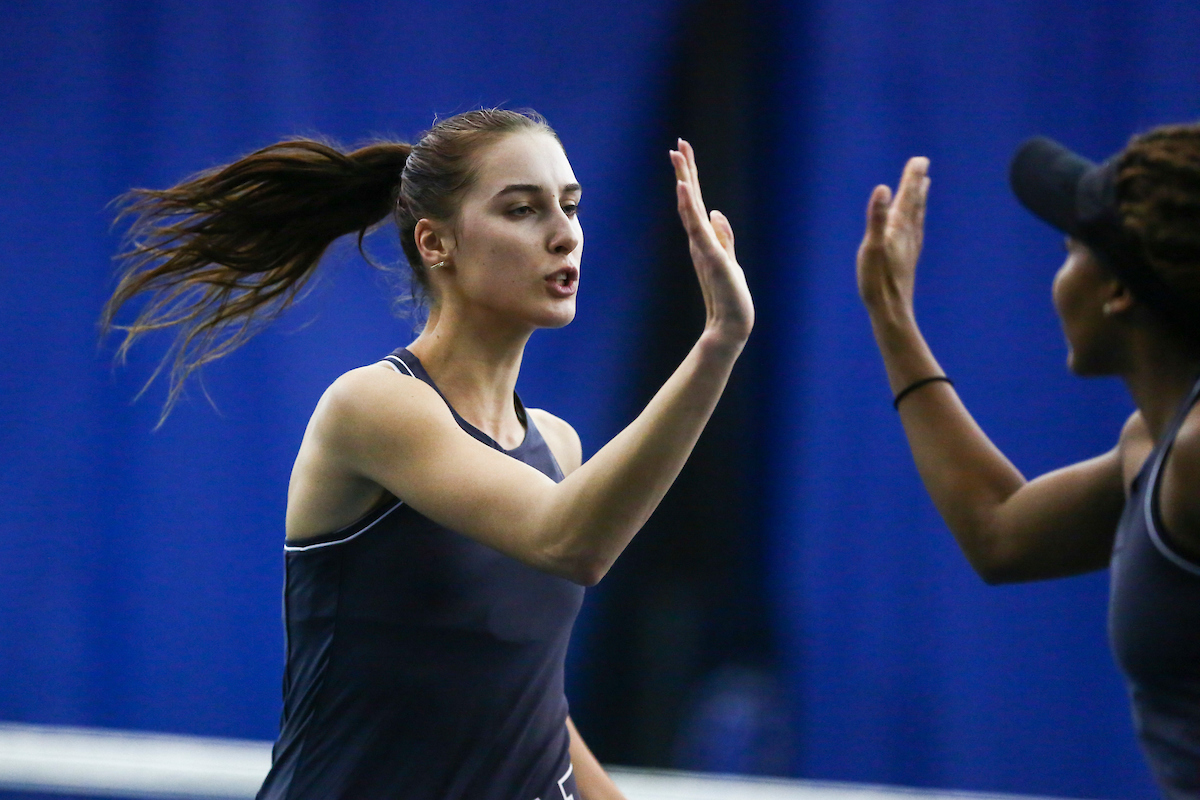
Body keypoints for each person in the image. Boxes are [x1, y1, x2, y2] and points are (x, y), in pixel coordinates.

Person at [102, 109, 753, 800]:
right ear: (435, 243)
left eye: (570, 206)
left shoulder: (558, 447)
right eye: (524, 210)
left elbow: (523, 698)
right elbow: (573, 543)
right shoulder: (374, 408)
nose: (564, 234)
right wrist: (718, 342)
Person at [856, 124, 1200, 797]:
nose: (1059, 275)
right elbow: (1000, 532)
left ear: (1119, 292)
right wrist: (891, 315)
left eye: (1071, 251)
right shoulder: (1154, 444)